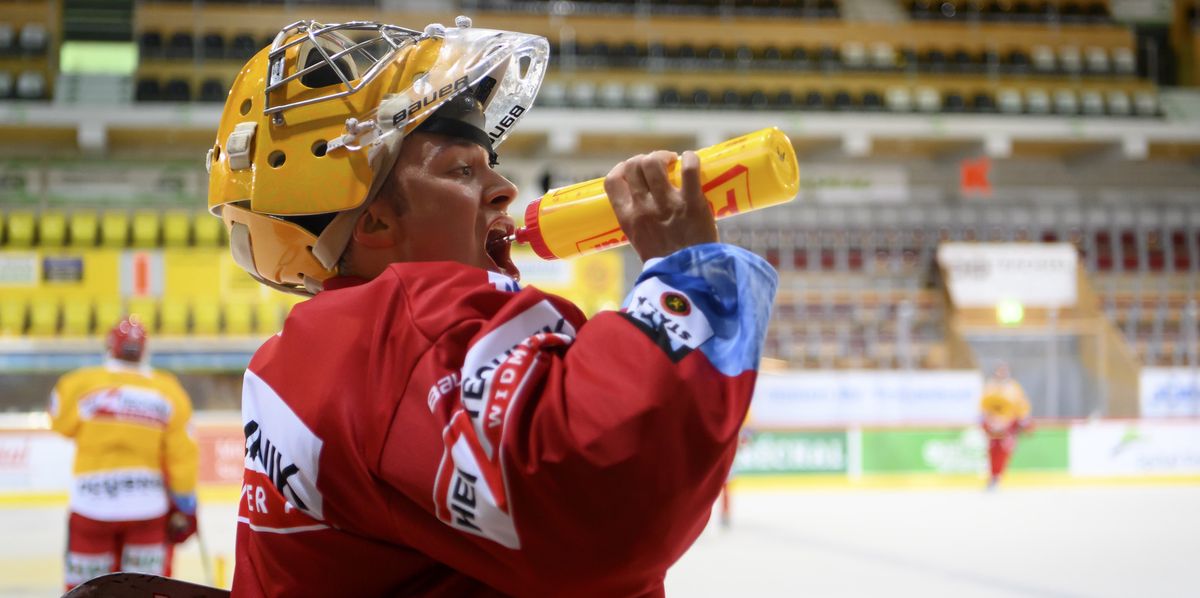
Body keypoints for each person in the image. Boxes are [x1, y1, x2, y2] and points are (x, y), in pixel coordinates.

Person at [207, 18, 776, 597]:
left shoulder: (303, 354)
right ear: (374, 220)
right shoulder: (404, 325)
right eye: (462, 169)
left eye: (491, 163)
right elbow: (604, 504)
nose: (505, 189)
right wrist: (685, 277)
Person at [48, 316, 199, 590]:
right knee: (142, 589)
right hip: (148, 509)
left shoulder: (80, 384)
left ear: (110, 346)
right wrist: (186, 506)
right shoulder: (168, 390)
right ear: (144, 349)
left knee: (86, 590)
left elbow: (60, 424)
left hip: (90, 507)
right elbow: (182, 456)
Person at [979, 363, 1033, 490]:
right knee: (992, 450)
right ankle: (993, 475)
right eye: (999, 371)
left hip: (1008, 424)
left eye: (1003, 371)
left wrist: (1024, 421)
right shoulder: (990, 386)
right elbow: (983, 406)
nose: (1001, 374)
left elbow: (1021, 405)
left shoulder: (1013, 387)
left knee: (1004, 450)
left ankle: (997, 476)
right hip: (992, 424)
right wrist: (985, 421)